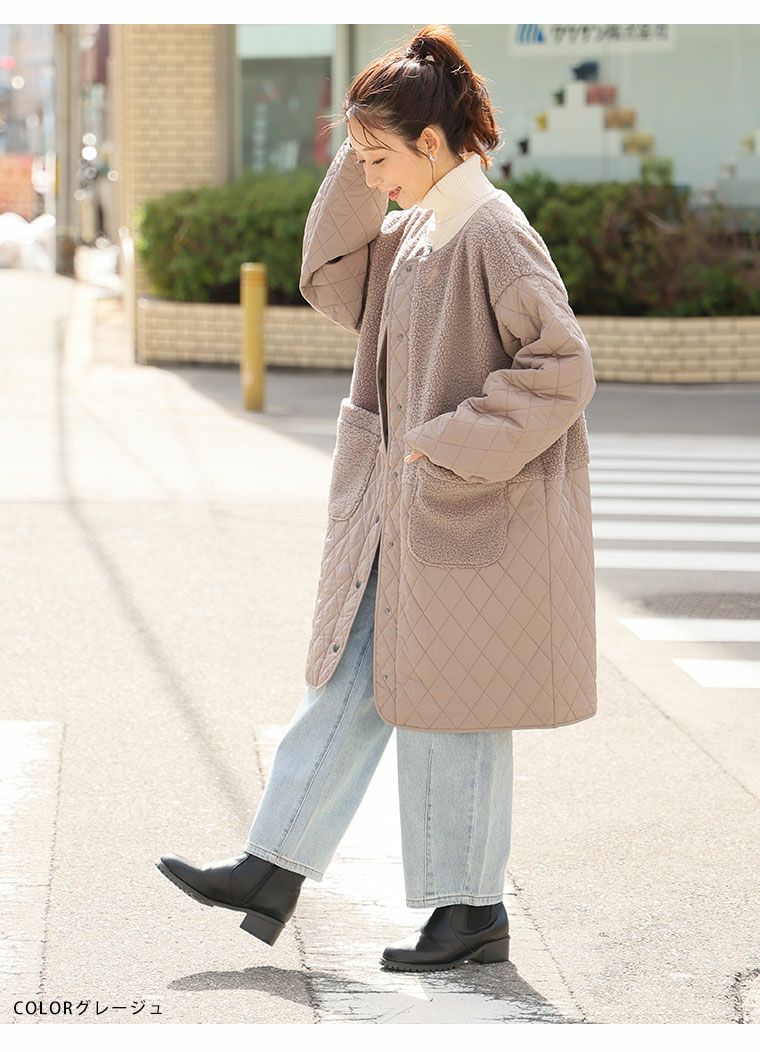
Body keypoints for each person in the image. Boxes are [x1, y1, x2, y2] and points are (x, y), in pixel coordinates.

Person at [157, 23, 597, 974]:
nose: (369, 177)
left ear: (432, 144)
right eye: (358, 160)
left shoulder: (493, 233)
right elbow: (327, 276)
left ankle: (469, 908)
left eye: (380, 158)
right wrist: (364, 147)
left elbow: (563, 368)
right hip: (408, 518)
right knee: (355, 678)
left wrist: (448, 445)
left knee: (453, 704)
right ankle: (271, 868)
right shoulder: (413, 232)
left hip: (468, 509)